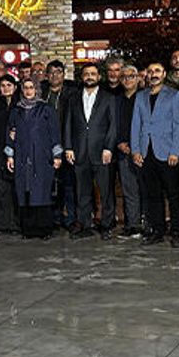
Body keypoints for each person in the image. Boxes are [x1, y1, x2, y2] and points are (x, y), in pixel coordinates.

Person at [133, 62, 179, 246]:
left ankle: (177, 231)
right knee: (152, 194)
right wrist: (136, 150)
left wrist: (175, 151)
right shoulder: (140, 96)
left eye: (157, 71)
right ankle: (157, 230)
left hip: (167, 152)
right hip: (146, 152)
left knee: (173, 194)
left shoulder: (174, 95)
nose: (153, 74)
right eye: (150, 71)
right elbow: (136, 124)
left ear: (164, 74)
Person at [63, 62, 118, 240]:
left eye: (93, 74)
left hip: (102, 152)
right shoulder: (73, 98)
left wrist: (108, 147)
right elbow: (68, 124)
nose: (89, 76)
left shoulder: (108, 98)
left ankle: (107, 225)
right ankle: (85, 224)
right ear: (82, 77)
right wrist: (68, 147)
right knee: (82, 191)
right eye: (86, 73)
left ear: (99, 76)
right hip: (79, 151)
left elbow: (113, 125)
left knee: (106, 191)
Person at [5, 78, 64, 239]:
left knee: (42, 192)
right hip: (22, 157)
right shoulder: (16, 111)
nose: (28, 91)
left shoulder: (46, 109)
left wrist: (57, 155)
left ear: (37, 90)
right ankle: (28, 230)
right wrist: (10, 156)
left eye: (31, 87)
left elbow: (54, 133)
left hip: (42, 157)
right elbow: (10, 133)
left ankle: (44, 230)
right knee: (24, 193)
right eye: (25, 88)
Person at [42, 60, 76, 230]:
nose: (55, 75)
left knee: (68, 184)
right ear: (46, 75)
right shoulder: (41, 93)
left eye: (58, 72)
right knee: (49, 185)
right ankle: (54, 219)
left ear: (64, 74)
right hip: (45, 147)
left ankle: (70, 219)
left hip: (67, 144)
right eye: (51, 72)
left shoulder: (72, 93)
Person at [0, 76, 21, 233]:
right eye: (2, 85)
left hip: (17, 152)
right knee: (2, 190)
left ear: (15, 87)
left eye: (9, 85)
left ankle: (16, 223)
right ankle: (3, 224)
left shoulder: (21, 106)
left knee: (16, 190)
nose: (6, 88)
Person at [115, 64, 143, 238]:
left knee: (146, 189)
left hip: (143, 151)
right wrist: (119, 143)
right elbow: (112, 124)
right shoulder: (116, 100)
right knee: (129, 190)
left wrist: (136, 146)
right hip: (123, 151)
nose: (127, 80)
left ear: (138, 78)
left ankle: (149, 224)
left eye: (131, 76)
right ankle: (133, 225)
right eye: (124, 77)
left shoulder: (145, 97)